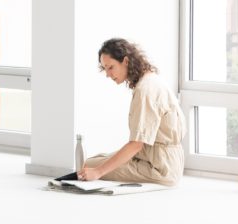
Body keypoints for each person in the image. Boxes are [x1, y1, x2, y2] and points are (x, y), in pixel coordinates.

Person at [78, 37, 183, 187]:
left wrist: (98, 172)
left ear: (126, 61)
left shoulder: (145, 90)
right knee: (90, 163)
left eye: (110, 67)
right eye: (105, 69)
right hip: (159, 158)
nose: (107, 74)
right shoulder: (150, 79)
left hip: (160, 167)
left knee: (87, 166)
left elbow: (136, 144)